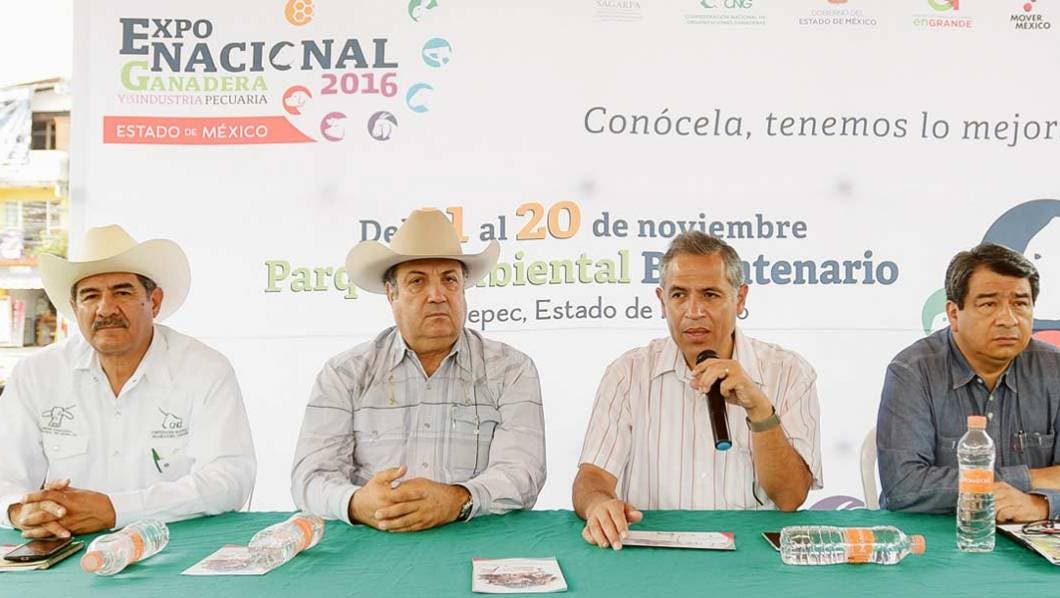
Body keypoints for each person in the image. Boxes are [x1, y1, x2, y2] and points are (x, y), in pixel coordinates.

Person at [291, 207, 546, 532]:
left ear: (463, 290)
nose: (437, 295)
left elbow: (524, 472)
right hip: (375, 544)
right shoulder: (345, 374)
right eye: (417, 281)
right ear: (391, 294)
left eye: (449, 280)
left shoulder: (510, 370)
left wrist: (458, 499)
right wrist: (356, 503)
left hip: (476, 542)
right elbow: (310, 477)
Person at [0, 225, 256, 538]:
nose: (105, 309)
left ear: (154, 301)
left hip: (177, 546)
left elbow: (229, 479)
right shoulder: (37, 374)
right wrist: (20, 511)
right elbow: (5, 475)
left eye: (122, 292)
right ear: (74, 308)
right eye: (90, 296)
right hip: (67, 545)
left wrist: (116, 510)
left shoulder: (204, 369)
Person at [573, 231, 822, 550]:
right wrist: (598, 504)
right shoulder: (627, 374)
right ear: (662, 302)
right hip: (652, 552)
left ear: (740, 299)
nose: (693, 311)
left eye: (710, 295)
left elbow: (790, 498)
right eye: (679, 295)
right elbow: (592, 478)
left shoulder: (789, 373)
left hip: (751, 556)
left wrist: (761, 412)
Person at [878, 242, 1060, 522]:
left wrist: (1042, 505)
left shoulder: (1055, 369)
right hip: (943, 535)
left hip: (1033, 532)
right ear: (953, 314)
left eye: (1020, 303)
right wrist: (1027, 479)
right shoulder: (913, 371)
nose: (1008, 319)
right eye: (989, 304)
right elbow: (904, 487)